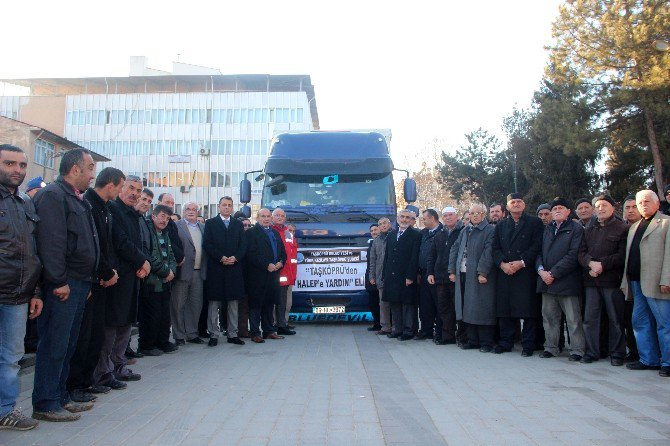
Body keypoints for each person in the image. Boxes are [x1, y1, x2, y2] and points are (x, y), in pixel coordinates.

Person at [32, 148, 99, 422]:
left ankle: (60, 396)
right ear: (74, 170)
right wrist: (58, 280)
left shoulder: (76, 198)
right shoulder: (53, 195)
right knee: (54, 344)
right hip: (64, 283)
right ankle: (46, 402)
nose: (93, 174)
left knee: (68, 343)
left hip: (80, 282)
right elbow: (52, 242)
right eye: (90, 168)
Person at [67, 168, 125, 404]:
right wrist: (104, 271)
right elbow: (92, 245)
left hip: (102, 278)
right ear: (111, 185)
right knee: (83, 337)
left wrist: (109, 271)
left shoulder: (106, 208)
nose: (121, 191)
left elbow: (107, 245)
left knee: (95, 335)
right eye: (121, 186)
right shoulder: (88, 204)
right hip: (90, 279)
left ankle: (88, 380)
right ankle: (75, 385)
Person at [0, 144, 42, 430]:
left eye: (22, 165)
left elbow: (33, 251)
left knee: (12, 358)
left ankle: (6, 411)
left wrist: (36, 292)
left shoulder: (26, 202)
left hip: (18, 295)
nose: (17, 170)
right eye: (10, 164)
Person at [93, 176, 150, 388]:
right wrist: (142, 261)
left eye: (138, 190)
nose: (135, 193)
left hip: (132, 278)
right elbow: (120, 242)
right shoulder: (114, 210)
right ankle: (104, 371)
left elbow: (139, 244)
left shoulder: (134, 215)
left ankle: (118, 365)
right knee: (111, 326)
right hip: (117, 278)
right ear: (120, 189)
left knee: (125, 324)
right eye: (131, 188)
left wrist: (142, 264)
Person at [621, 190, 670, 377]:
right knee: (639, 321)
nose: (643, 205)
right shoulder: (634, 227)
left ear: (658, 203)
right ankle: (648, 359)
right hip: (636, 282)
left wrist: (667, 279)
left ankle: (667, 362)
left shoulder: (666, 222)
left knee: (664, 323)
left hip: (657, 282)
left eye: (647, 201)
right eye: (640, 202)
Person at [578, 194, 628, 366]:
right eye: (598, 206)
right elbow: (581, 253)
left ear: (613, 208)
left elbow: (621, 256)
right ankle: (592, 352)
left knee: (615, 319)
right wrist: (590, 264)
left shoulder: (622, 228)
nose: (601, 208)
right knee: (590, 318)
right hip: (590, 281)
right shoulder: (588, 229)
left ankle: (617, 353)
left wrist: (602, 265)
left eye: (604, 205)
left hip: (611, 281)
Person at [492, 193, 544, 357]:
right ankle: (505, 342)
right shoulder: (501, 225)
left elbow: (537, 245)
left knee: (528, 310)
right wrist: (502, 264)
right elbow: (495, 248)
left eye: (519, 202)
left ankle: (528, 344)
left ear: (524, 204)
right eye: (512, 202)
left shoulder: (535, 223)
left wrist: (521, 262)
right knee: (505, 310)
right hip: (505, 271)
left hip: (525, 271)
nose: (516, 204)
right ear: (507, 206)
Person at [537, 197, 585, 362]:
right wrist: (541, 271)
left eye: (560, 208)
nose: (557, 210)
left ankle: (577, 350)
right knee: (549, 317)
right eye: (554, 208)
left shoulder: (576, 229)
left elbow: (573, 255)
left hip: (567, 281)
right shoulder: (547, 229)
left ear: (568, 211)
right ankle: (551, 347)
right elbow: (539, 253)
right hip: (546, 281)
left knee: (573, 319)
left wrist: (554, 273)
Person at [448, 204, 497, 352]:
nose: (474, 216)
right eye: (472, 213)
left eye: (478, 213)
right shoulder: (465, 230)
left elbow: (489, 252)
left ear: (484, 215)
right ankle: (472, 340)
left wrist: (482, 272)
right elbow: (454, 249)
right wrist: (451, 270)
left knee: (482, 308)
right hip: (463, 273)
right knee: (466, 307)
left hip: (479, 275)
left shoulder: (489, 230)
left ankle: (486, 342)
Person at [203, 197, 247, 346]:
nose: (227, 208)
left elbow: (243, 245)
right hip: (216, 268)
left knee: (233, 303)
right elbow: (207, 244)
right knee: (214, 303)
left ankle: (233, 334)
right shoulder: (210, 223)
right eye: (224, 205)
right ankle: (213, 334)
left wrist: (235, 257)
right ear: (219, 206)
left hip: (234, 268)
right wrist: (221, 257)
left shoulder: (238, 224)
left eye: (229, 205)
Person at [138, 205, 178, 355]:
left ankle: (163, 342)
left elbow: (172, 255)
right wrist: (166, 271)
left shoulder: (164, 233)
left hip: (165, 282)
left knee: (164, 315)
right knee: (151, 316)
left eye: (167, 218)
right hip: (152, 282)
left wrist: (172, 271)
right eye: (162, 216)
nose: (164, 220)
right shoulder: (147, 232)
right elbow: (149, 255)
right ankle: (147, 345)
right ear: (153, 216)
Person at [245, 208, 287, 343]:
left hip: (274, 274)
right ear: (257, 218)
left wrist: (281, 262)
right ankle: (255, 333)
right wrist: (266, 264)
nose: (266, 218)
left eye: (268, 216)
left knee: (269, 303)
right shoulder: (251, 233)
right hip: (258, 275)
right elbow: (251, 254)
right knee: (256, 305)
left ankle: (269, 331)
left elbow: (282, 251)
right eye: (263, 216)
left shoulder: (274, 232)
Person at [171, 202, 207, 346]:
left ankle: (192, 333)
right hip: (183, 271)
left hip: (199, 272)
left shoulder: (203, 227)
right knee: (178, 304)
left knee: (195, 304)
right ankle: (179, 335)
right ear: (183, 211)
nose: (191, 212)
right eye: (188, 209)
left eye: (194, 209)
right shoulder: (176, 225)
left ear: (198, 212)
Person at [382, 209, 421, 341]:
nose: (404, 219)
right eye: (402, 217)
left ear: (411, 220)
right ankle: (397, 329)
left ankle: (408, 331)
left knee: (407, 304)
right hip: (391, 276)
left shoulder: (416, 235)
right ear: (398, 218)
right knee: (395, 303)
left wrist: (410, 276)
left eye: (407, 218)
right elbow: (387, 257)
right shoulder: (392, 235)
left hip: (406, 277)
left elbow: (414, 257)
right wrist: (384, 275)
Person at [427, 207, 464, 345]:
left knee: (459, 308)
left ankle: (462, 336)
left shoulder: (463, 232)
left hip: (457, 277)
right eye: (445, 216)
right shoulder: (439, 235)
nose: (448, 218)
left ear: (456, 216)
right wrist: (430, 273)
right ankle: (448, 336)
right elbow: (432, 256)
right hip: (441, 278)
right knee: (444, 308)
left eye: (450, 215)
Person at [125, 187, 153, 361]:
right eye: (143, 199)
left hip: (141, 271)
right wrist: (141, 262)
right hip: (130, 270)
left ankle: (126, 349)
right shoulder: (129, 218)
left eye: (149, 201)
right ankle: (123, 351)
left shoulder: (142, 220)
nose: (145, 204)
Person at [416, 209, 443, 340]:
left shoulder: (442, 232)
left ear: (432, 218)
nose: (423, 221)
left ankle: (439, 332)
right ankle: (426, 331)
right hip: (423, 273)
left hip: (436, 275)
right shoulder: (423, 233)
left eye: (424, 218)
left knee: (438, 304)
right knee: (425, 305)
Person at [272, 208, 297, 336]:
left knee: (282, 301)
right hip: (273, 272)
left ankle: (281, 325)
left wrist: (292, 275)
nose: (280, 217)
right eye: (277, 215)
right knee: (272, 302)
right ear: (272, 217)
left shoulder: (288, 233)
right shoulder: (270, 230)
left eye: (282, 215)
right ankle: (272, 326)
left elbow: (293, 255)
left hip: (286, 273)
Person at [622, 194, 641, 361]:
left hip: (648, 281)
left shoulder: (653, 225)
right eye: (627, 208)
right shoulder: (623, 229)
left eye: (634, 207)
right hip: (626, 282)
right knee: (629, 319)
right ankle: (634, 352)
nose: (630, 211)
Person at [369, 217, 392, 335]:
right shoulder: (376, 241)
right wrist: (371, 276)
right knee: (383, 303)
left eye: (384, 223)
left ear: (389, 224)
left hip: (393, 276)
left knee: (395, 303)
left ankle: (396, 327)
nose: (383, 226)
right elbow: (372, 260)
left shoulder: (394, 237)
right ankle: (385, 327)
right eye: (380, 224)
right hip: (380, 276)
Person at [237, 216, 253, 338]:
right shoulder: (237, 239)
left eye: (248, 225)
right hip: (239, 277)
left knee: (248, 305)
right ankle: (241, 330)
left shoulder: (252, 238)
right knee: (242, 306)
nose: (246, 227)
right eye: (244, 225)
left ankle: (247, 329)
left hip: (251, 277)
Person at [365, 223, 382, 331]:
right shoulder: (372, 244)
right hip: (371, 277)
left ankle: (382, 325)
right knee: (373, 303)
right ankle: (376, 324)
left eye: (375, 230)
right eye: (372, 231)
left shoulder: (382, 243)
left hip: (378, 277)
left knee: (380, 303)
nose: (374, 232)